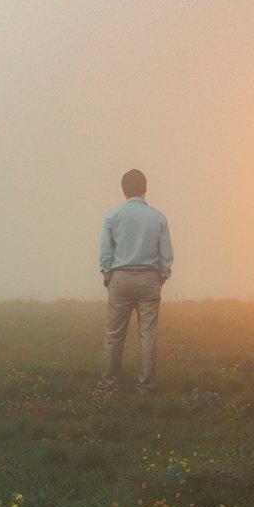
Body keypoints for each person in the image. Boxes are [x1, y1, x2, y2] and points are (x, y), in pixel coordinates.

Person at [98, 169, 174, 395]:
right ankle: (146, 386)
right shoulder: (158, 217)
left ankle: (108, 384)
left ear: (123, 190)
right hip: (149, 278)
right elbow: (166, 254)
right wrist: (161, 276)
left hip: (120, 278)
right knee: (148, 335)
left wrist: (107, 276)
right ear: (145, 188)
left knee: (114, 335)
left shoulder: (112, 216)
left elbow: (105, 252)